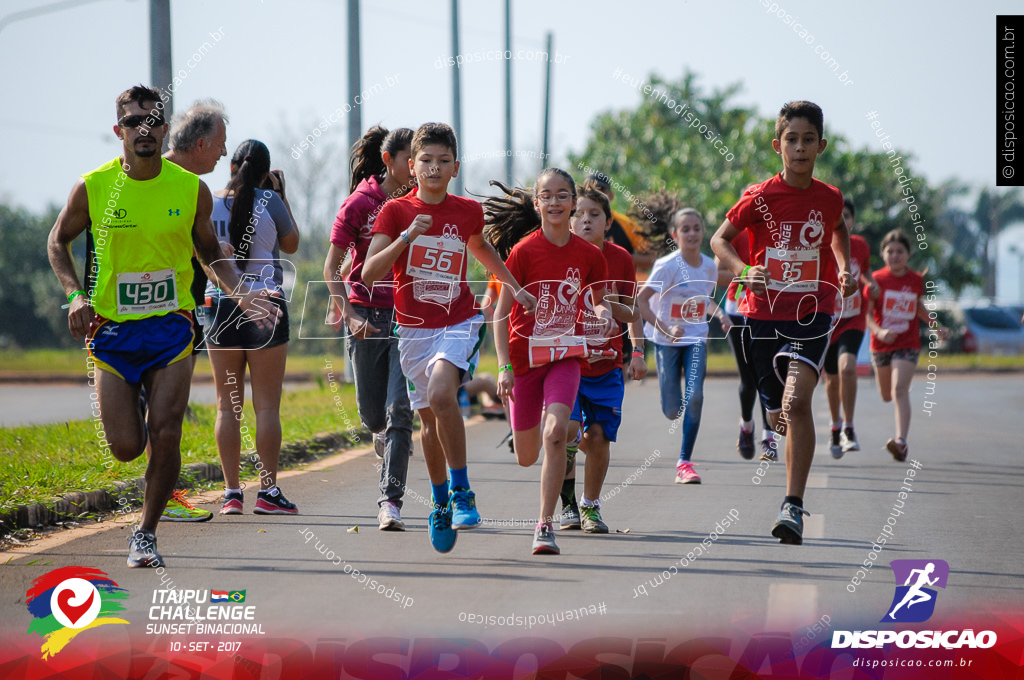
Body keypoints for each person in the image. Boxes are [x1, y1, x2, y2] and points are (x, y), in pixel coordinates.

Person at [47, 85, 275, 567]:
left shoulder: (189, 189)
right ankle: (148, 498)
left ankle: (146, 534)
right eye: (133, 122)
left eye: (153, 121)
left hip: (172, 326)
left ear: (165, 128)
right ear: (119, 131)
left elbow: (210, 252)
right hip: (112, 332)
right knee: (127, 446)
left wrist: (242, 293)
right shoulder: (94, 187)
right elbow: (56, 242)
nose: (144, 130)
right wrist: (73, 295)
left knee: (166, 429)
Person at [362, 122, 535, 553]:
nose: (434, 168)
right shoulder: (396, 212)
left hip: (457, 321)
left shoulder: (465, 212)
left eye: (443, 161)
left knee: (443, 394)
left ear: (455, 167)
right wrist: (407, 236)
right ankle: (439, 502)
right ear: (411, 166)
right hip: (413, 331)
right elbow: (368, 273)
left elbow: (482, 249)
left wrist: (513, 286)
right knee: (428, 422)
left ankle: (462, 492)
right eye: (426, 160)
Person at [711, 100, 856, 545]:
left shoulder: (829, 198)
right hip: (761, 315)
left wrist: (844, 267)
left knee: (797, 405)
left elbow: (839, 231)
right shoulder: (758, 198)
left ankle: (792, 504)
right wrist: (742, 268)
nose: (799, 147)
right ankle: (775, 426)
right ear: (778, 146)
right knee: (777, 415)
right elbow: (720, 240)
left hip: (813, 312)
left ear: (821, 145)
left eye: (807, 139)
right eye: (791, 140)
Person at [486, 169, 615, 555]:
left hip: (566, 356)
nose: (555, 202)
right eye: (547, 195)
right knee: (527, 456)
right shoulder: (523, 252)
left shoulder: (590, 256)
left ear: (574, 203)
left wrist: (603, 312)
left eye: (563, 195)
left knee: (556, 433)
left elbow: (597, 299)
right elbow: (500, 313)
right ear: (537, 202)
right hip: (525, 361)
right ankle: (536, 431)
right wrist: (504, 367)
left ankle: (544, 525)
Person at [324, 125, 415, 531]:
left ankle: (390, 502)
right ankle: (381, 436)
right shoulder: (359, 204)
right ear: (389, 161)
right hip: (366, 316)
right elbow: (331, 269)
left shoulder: (421, 202)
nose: (418, 168)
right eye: (410, 160)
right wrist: (350, 314)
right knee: (372, 415)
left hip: (408, 318)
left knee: (400, 410)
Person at [206, 140, 299, 516]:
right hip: (266, 307)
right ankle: (268, 492)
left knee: (227, 408)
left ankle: (231, 493)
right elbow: (291, 245)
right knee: (266, 408)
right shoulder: (269, 201)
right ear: (265, 173)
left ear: (231, 167)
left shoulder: (208, 201)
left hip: (220, 304)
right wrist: (281, 194)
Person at [157, 98, 229, 523]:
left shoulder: (194, 190)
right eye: (219, 144)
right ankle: (161, 492)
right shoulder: (144, 179)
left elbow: (202, 250)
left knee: (167, 413)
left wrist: (217, 256)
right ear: (200, 143)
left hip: (181, 315)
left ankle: (164, 494)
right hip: (130, 319)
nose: (223, 153)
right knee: (141, 425)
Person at [560, 187, 646, 533]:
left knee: (597, 437)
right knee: (569, 431)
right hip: (568, 363)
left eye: (594, 214)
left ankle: (590, 506)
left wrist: (637, 350)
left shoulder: (621, 258)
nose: (585, 220)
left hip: (608, 366)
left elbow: (632, 310)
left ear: (608, 222)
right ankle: (567, 505)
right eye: (578, 213)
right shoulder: (560, 255)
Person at [639, 208, 727, 485]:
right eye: (685, 229)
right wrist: (665, 328)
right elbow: (641, 301)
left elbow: (702, 299)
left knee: (696, 396)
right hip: (666, 340)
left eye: (696, 228)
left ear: (703, 232)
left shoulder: (709, 266)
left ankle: (684, 462)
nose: (692, 233)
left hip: (696, 338)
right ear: (675, 235)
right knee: (672, 410)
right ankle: (672, 405)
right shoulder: (667, 266)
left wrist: (721, 314)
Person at [864, 229, 939, 462]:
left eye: (900, 251)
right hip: (881, 345)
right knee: (887, 395)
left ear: (908, 254)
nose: (895, 256)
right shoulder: (876, 280)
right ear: (883, 254)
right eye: (890, 252)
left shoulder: (916, 280)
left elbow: (918, 307)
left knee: (898, 390)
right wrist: (879, 331)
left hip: (907, 343)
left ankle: (901, 443)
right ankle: (901, 385)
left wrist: (936, 325)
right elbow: (866, 316)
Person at [822, 198, 878, 458]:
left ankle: (849, 427)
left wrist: (870, 283)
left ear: (852, 220)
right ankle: (835, 426)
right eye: (837, 215)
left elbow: (864, 272)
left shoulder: (860, 246)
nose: (842, 219)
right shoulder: (819, 244)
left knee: (847, 367)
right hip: (826, 320)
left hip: (853, 317)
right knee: (831, 379)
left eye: (846, 215)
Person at [717, 227, 779, 461]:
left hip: (769, 312)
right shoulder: (733, 235)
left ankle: (768, 438)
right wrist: (744, 273)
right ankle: (746, 426)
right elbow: (717, 274)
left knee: (767, 375)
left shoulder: (779, 233)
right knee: (748, 378)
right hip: (738, 311)